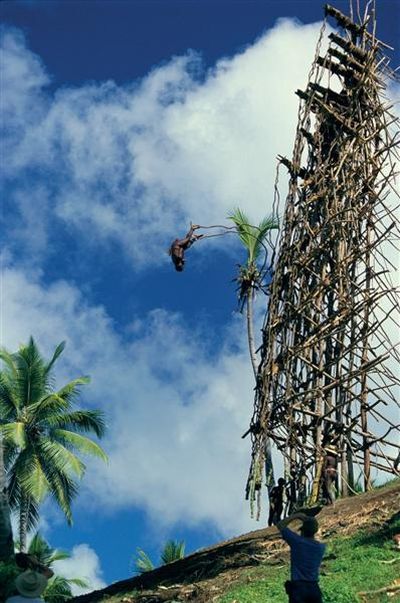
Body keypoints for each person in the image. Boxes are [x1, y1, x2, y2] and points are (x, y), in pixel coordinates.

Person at [277, 511, 326, 603]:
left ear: (302, 531)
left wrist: (296, 516)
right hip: (314, 588)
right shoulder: (321, 547)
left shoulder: (297, 542)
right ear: (315, 531)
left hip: (299, 588)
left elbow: (280, 524)